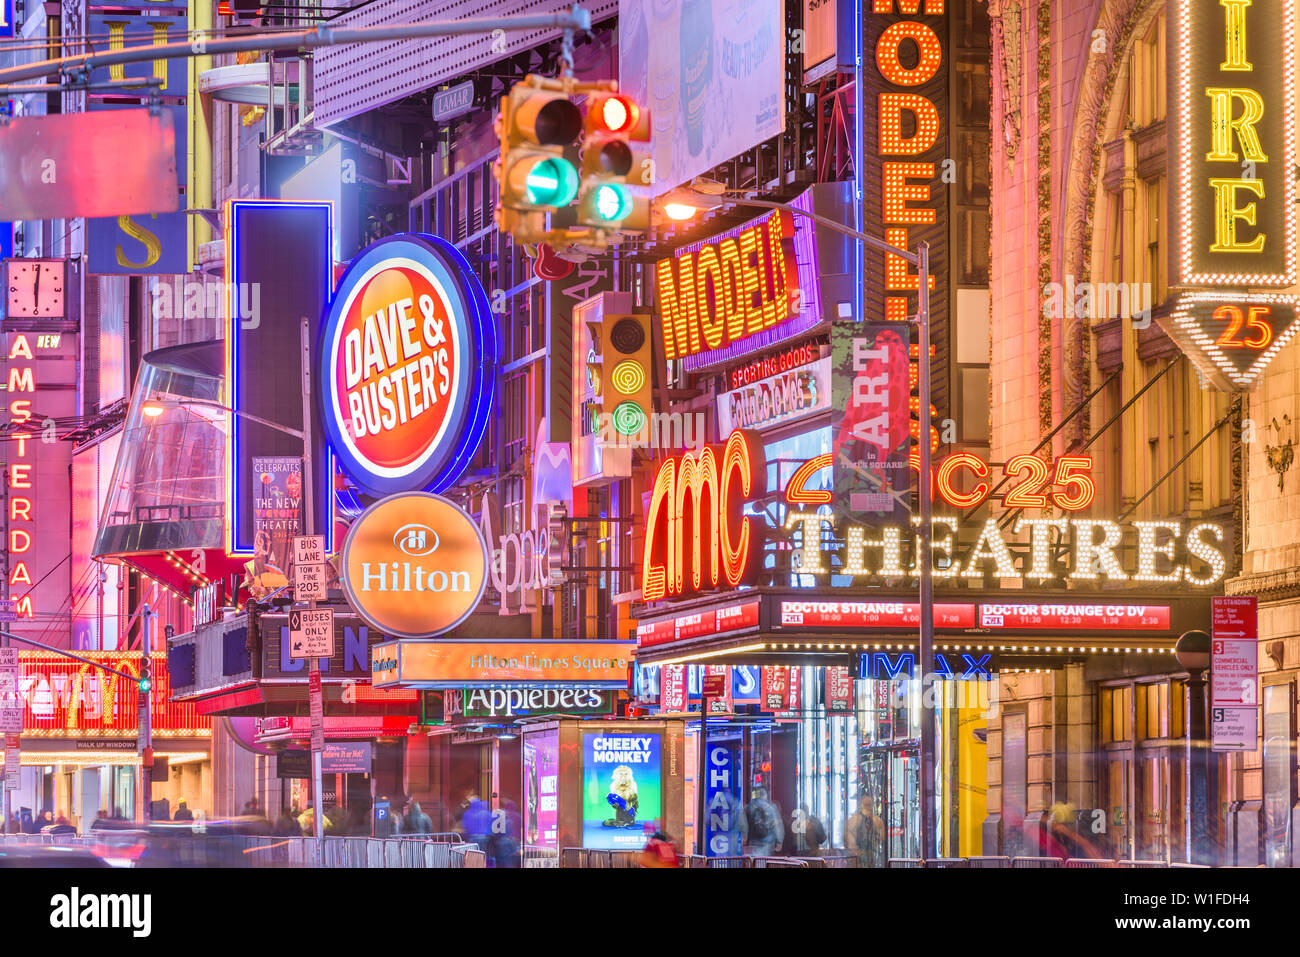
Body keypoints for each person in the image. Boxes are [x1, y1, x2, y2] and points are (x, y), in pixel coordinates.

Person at [845, 794, 886, 868]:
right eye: (866, 805)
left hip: (870, 858)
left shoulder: (877, 821)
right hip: (858, 859)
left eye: (869, 805)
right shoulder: (853, 821)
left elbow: (881, 838)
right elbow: (849, 843)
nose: (868, 807)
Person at [744, 787, 784, 857]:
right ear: (765, 795)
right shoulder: (771, 808)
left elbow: (744, 823)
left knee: (754, 861)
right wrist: (779, 841)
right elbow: (777, 825)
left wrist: (745, 836)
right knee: (764, 861)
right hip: (767, 842)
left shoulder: (750, 807)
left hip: (754, 841)